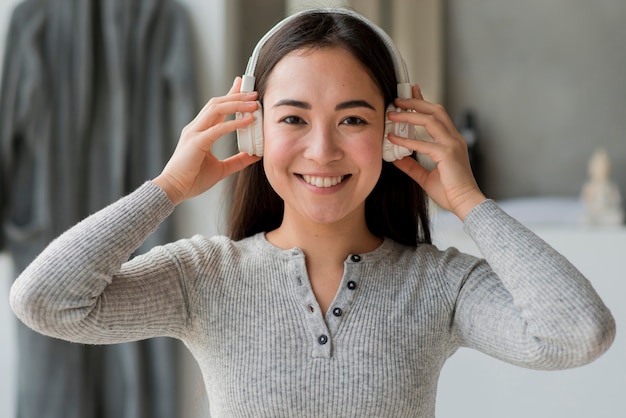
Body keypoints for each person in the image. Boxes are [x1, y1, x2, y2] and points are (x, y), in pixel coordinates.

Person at [9, 8, 615, 418]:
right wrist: (166, 187)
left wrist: (469, 203)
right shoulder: (205, 276)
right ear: (253, 132)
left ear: (394, 131)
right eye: (293, 118)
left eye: (352, 119)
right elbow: (46, 301)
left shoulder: (439, 285)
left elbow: (578, 334)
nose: (322, 151)